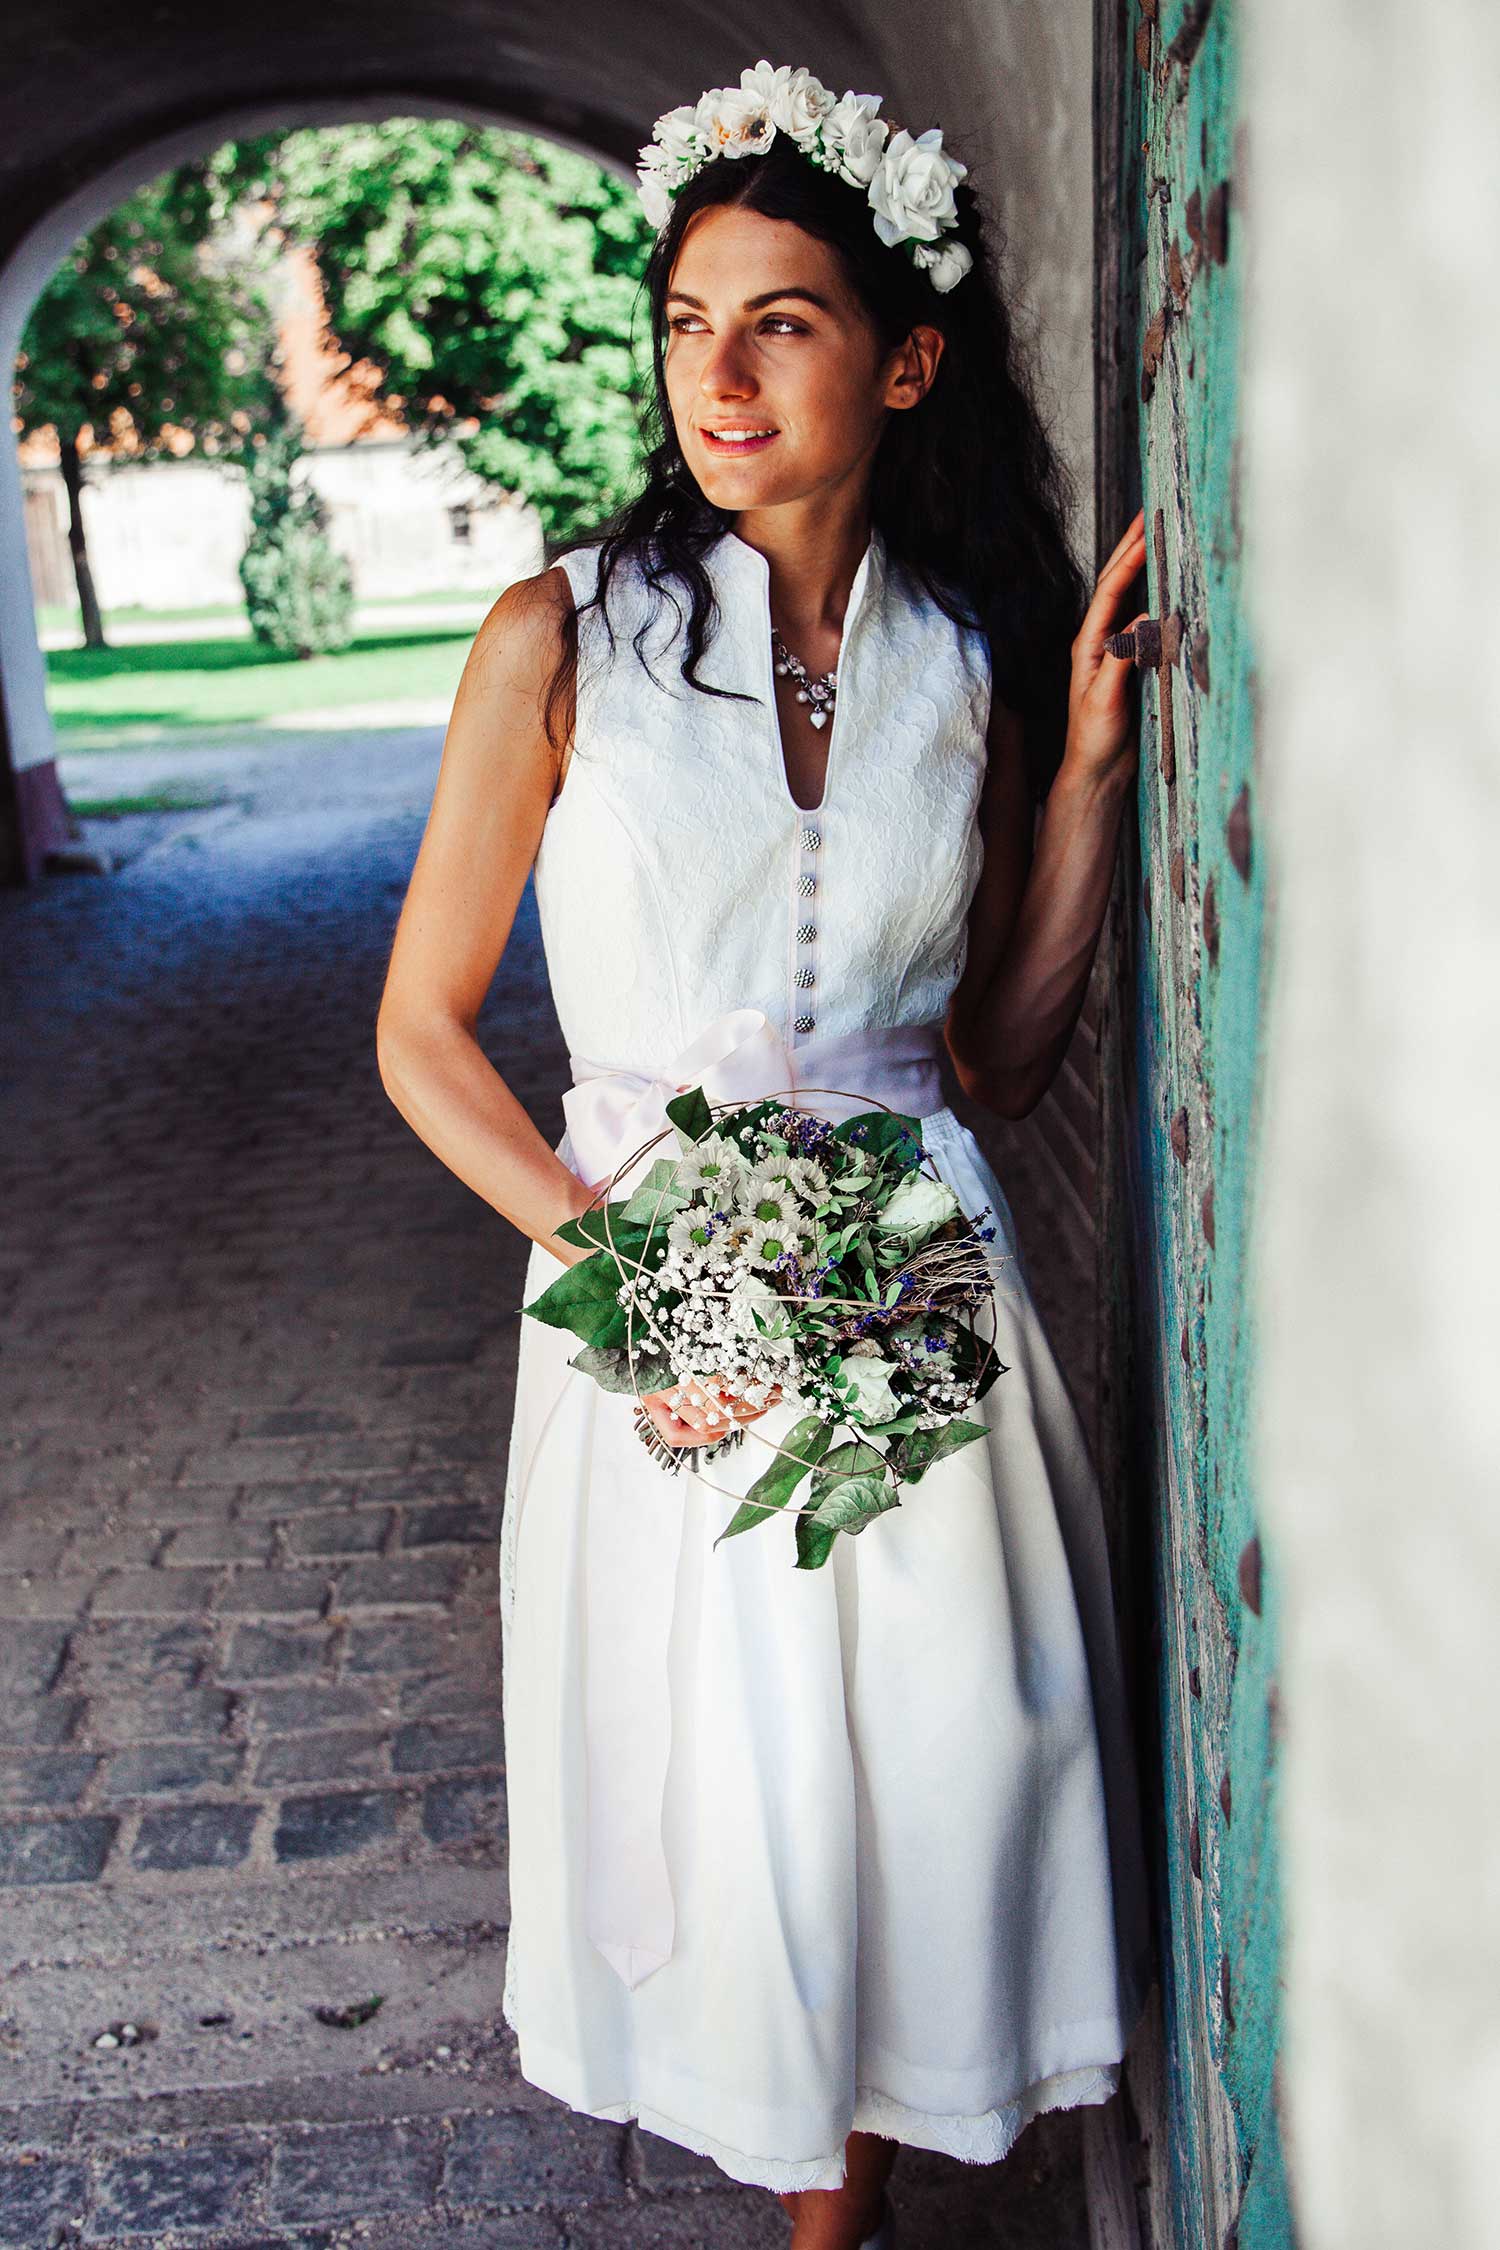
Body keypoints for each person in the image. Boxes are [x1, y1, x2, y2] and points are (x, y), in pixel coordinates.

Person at [376, 61, 1152, 2250]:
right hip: (662, 1266)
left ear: (903, 358)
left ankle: (852, 2215)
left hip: (916, 1269)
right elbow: (421, 1039)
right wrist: (629, 1280)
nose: (719, 371)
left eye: (783, 320)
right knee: (749, 1816)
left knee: (934, 1770)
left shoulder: (965, 669)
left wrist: (1084, 780)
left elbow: (993, 1054)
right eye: (689, 320)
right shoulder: (560, 642)